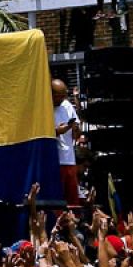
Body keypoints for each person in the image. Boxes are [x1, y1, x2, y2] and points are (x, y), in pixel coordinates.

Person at [52, 78, 80, 207]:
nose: (62, 99)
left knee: (73, 200)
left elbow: (77, 134)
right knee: (58, 199)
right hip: (56, 161)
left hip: (70, 160)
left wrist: (75, 129)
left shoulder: (67, 105)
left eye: (64, 95)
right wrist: (60, 130)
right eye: (59, 96)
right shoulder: (45, 108)